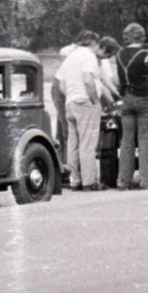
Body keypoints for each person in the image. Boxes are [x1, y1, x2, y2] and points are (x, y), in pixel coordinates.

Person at [55, 31, 109, 191]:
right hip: (85, 102)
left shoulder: (70, 57)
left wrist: (72, 95)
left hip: (70, 102)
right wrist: (95, 100)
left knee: (73, 143)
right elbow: (87, 79)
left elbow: (61, 85)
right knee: (88, 143)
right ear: (93, 43)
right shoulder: (89, 56)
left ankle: (75, 180)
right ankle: (89, 181)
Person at [115, 24, 148, 190]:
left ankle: (123, 181)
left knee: (126, 142)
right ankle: (146, 181)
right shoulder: (145, 55)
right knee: (144, 141)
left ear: (127, 37)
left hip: (126, 99)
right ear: (142, 36)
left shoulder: (118, 55)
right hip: (143, 99)